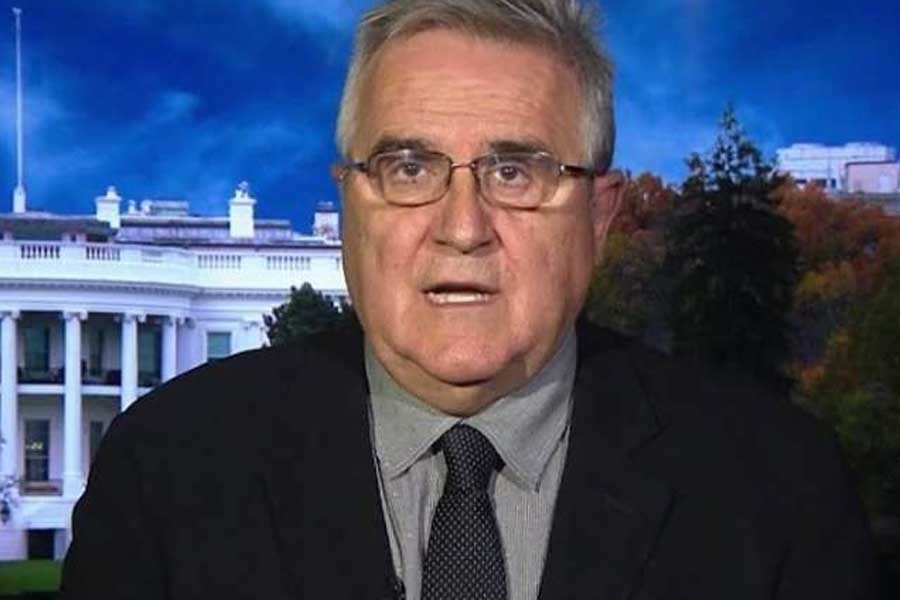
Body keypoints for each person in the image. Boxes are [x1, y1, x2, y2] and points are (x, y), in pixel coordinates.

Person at [60, 1, 875, 599]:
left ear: (599, 218)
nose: (462, 228)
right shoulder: (167, 474)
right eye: (409, 169)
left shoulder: (777, 492)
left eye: (515, 172)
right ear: (349, 206)